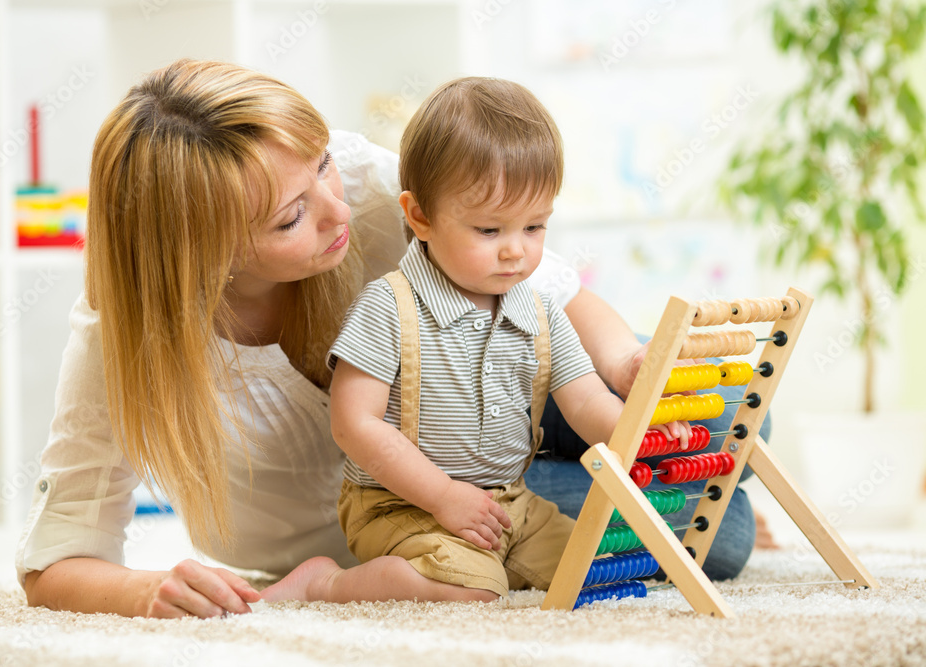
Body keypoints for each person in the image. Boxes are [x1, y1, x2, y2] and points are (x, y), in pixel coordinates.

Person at [18, 59, 767, 619]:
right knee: (720, 529)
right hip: (411, 505)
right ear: (201, 256)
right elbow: (52, 561)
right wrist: (146, 589)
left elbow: (561, 295)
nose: (334, 210)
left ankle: (679, 456)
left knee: (729, 396)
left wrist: (620, 366)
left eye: (321, 168)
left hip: (504, 397)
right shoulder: (119, 342)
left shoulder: (366, 187)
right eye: (289, 219)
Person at [256, 77, 694, 603]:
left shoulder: (539, 308)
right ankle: (325, 585)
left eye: (534, 227)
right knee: (471, 592)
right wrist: (443, 497)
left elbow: (585, 398)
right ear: (420, 217)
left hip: (511, 502)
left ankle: (491, 558)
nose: (516, 252)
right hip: (401, 503)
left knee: (593, 565)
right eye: (490, 231)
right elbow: (354, 424)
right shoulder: (389, 306)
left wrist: (640, 437)